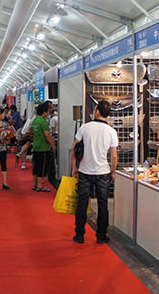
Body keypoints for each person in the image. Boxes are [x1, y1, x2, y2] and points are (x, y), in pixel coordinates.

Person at [71, 99, 118, 244]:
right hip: (103, 172)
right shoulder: (111, 131)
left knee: (82, 202)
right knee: (103, 203)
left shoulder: (85, 127)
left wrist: (74, 167)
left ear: (97, 111)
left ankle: (80, 234)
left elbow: (75, 148)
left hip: (85, 171)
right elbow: (114, 155)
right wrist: (113, 171)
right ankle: (101, 235)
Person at [31, 102, 56, 192]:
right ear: (44, 112)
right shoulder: (43, 121)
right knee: (42, 167)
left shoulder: (35, 120)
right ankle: (40, 186)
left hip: (36, 145)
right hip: (43, 147)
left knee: (36, 166)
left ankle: (35, 184)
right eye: (48, 111)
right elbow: (47, 135)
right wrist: (53, 144)